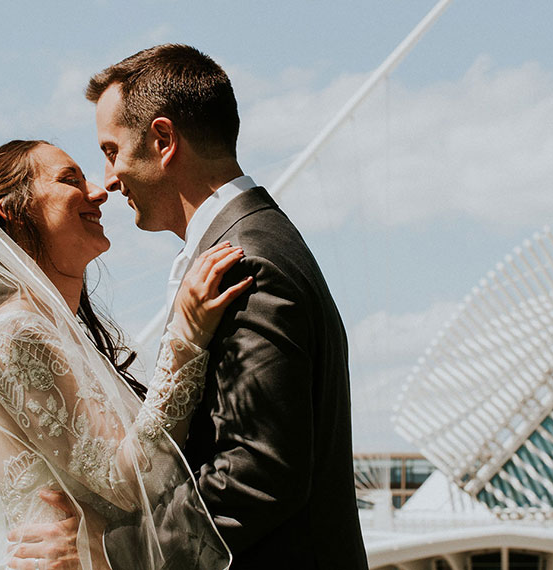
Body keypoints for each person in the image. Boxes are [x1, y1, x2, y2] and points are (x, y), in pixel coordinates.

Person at [82, 44, 369, 568]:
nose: (108, 179)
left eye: (111, 150)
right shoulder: (246, 241)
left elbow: (258, 472)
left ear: (163, 140)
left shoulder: (248, 259)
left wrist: (116, 554)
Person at [0, 139, 253, 569]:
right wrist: (185, 338)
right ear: (14, 210)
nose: (99, 192)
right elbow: (126, 480)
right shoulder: (16, 333)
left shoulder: (48, 328)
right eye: (70, 180)